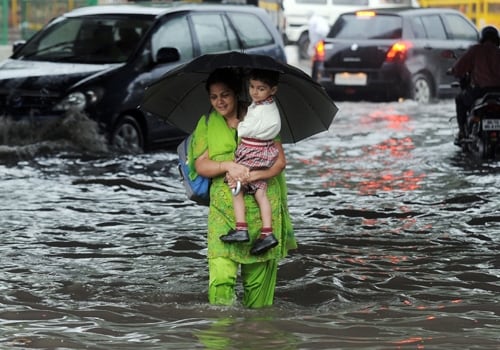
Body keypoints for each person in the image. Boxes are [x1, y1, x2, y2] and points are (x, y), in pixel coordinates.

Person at [189, 68, 297, 308]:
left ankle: (256, 336)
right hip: (224, 212)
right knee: (220, 278)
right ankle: (222, 335)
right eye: (214, 96)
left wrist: (252, 175)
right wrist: (228, 165)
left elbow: (279, 162)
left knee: (258, 294)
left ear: (237, 93)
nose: (219, 101)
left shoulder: (260, 116)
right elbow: (201, 165)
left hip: (261, 210)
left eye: (225, 94)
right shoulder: (207, 122)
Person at [219, 69, 281, 256]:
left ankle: (241, 228)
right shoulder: (266, 105)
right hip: (264, 151)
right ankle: (267, 232)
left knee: (236, 186)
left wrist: (237, 123)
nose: (254, 92)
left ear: (273, 90)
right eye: (252, 87)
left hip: (252, 150)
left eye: (261, 89)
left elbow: (246, 130)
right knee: (260, 192)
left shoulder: (262, 109)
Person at [451, 25, 500, 143]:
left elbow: (458, 69)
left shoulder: (475, 50)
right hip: (498, 93)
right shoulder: (498, 52)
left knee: (459, 100)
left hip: (480, 92)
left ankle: (462, 132)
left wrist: (453, 71)